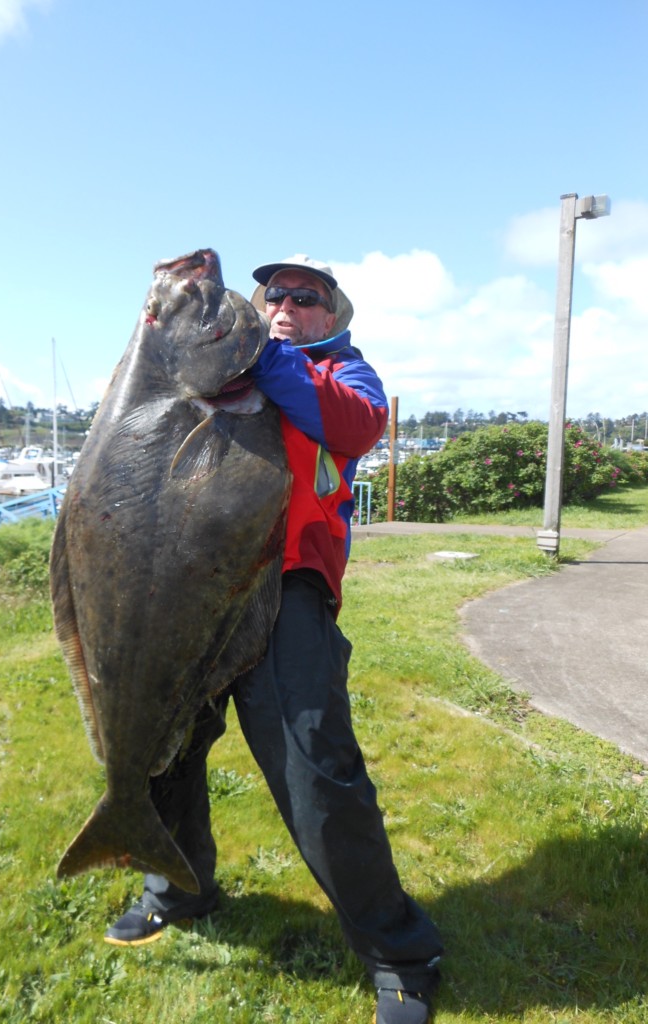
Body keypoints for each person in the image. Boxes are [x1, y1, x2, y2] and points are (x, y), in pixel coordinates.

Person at [104, 255, 444, 1024]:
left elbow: (354, 426)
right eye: (275, 296)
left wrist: (266, 350)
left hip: (285, 588)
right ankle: (179, 888)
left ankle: (399, 951)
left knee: (314, 767)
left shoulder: (342, 375)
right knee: (165, 749)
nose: (288, 304)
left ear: (333, 316)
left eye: (307, 298)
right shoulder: (210, 368)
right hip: (185, 588)